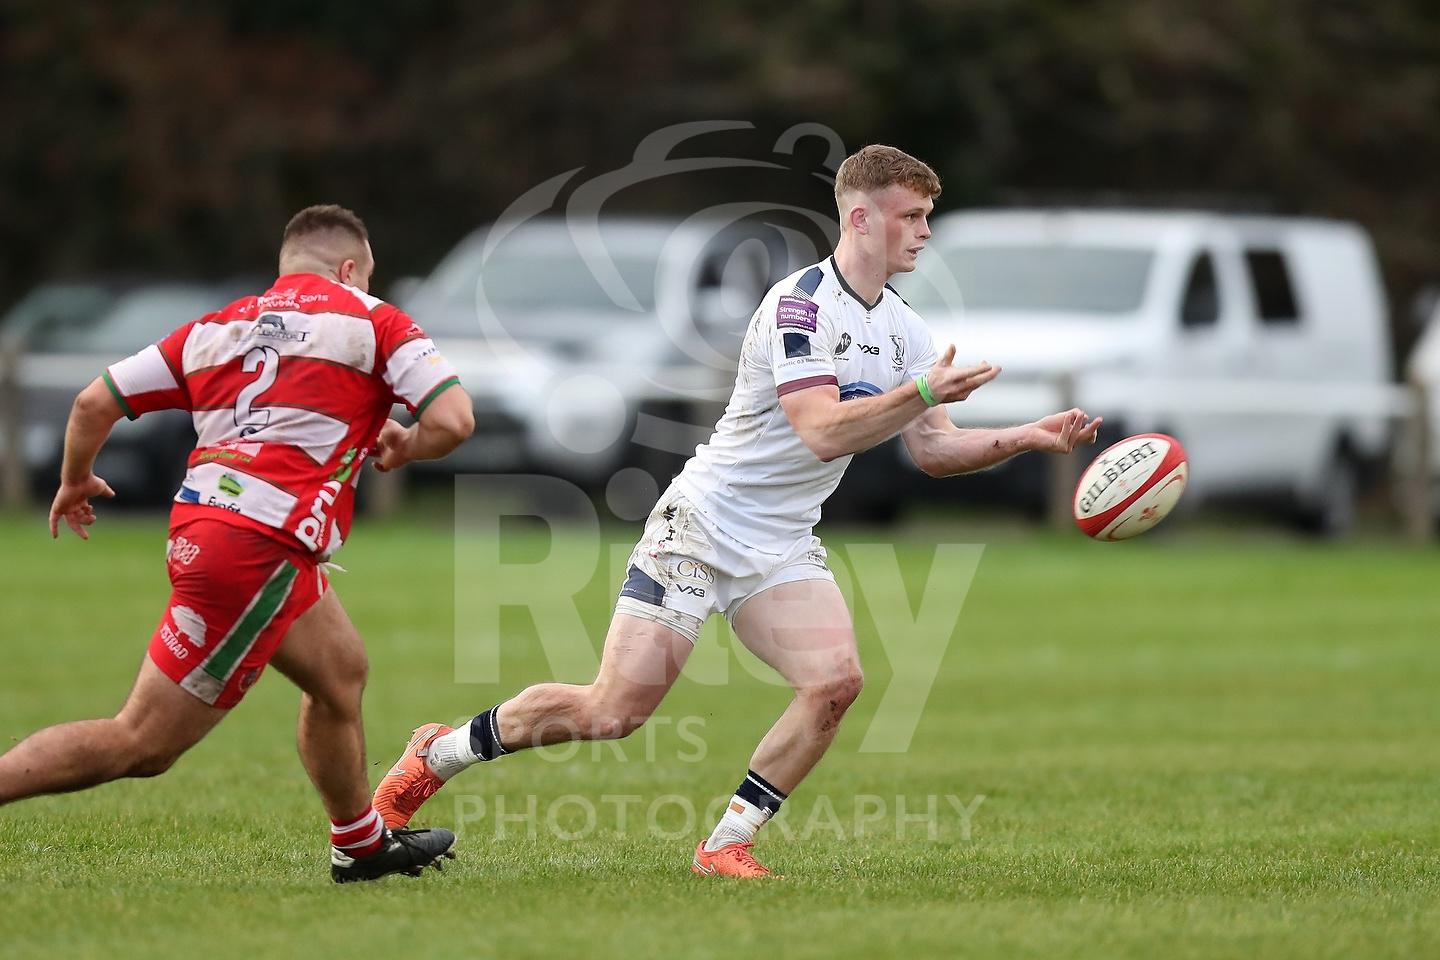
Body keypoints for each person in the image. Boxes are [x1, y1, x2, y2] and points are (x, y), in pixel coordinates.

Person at [371, 146, 1102, 877]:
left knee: (835, 683)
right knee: (612, 712)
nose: (925, 232)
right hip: (700, 527)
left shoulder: (905, 329)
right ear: (860, 217)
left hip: (781, 542)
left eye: (926, 217)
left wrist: (1027, 437)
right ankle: (439, 752)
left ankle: (725, 844)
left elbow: (933, 449)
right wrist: (923, 394)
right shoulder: (798, 307)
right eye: (911, 216)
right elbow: (821, 431)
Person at [0, 204, 474, 884]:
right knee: (143, 741)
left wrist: (75, 479)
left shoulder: (215, 328)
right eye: (366, 277)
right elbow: (454, 419)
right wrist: (407, 447)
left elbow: (91, 404)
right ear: (350, 270)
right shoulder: (374, 322)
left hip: (210, 525)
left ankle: (360, 844)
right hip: (261, 545)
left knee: (340, 673)